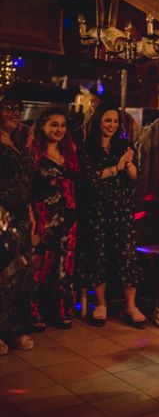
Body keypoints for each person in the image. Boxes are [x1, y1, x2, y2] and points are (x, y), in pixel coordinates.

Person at [76, 105, 144, 328]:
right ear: (98, 122)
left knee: (126, 256)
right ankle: (101, 305)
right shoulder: (87, 148)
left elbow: (135, 177)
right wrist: (116, 167)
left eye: (115, 121)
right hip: (97, 209)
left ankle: (130, 306)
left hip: (121, 209)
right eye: (107, 120)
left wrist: (128, 163)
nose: (112, 125)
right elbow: (92, 179)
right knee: (99, 254)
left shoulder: (123, 145)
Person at [29, 109, 78, 331]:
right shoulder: (32, 154)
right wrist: (31, 220)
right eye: (54, 125)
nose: (59, 129)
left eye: (63, 125)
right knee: (39, 267)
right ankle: (34, 312)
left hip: (69, 219)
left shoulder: (71, 152)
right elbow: (27, 191)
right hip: (43, 219)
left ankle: (61, 310)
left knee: (64, 268)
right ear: (42, 126)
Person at [0, 94, 35, 354]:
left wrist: (31, 214)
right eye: (8, 108)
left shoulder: (18, 144)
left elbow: (26, 184)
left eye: (18, 108)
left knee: (20, 275)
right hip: (2, 219)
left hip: (22, 217)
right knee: (3, 276)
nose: (15, 113)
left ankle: (15, 330)